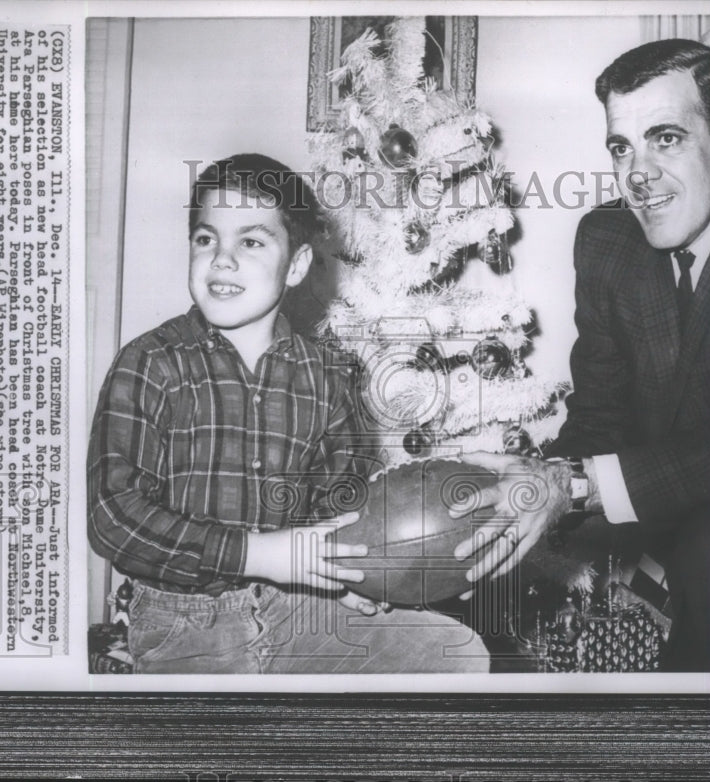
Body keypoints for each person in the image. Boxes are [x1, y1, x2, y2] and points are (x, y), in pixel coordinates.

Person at [452, 40, 710, 671]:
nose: (637, 175)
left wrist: (571, 487)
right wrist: (522, 501)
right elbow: (599, 419)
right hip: (677, 495)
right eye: (622, 146)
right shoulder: (605, 241)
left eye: (666, 139)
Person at [88, 153, 487, 674]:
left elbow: (338, 501)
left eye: (251, 241)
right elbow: (114, 517)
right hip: (182, 625)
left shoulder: (326, 373)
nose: (222, 259)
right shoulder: (150, 362)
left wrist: (346, 578)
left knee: (456, 656)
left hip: (294, 605)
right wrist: (255, 554)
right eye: (207, 238)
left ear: (296, 265)